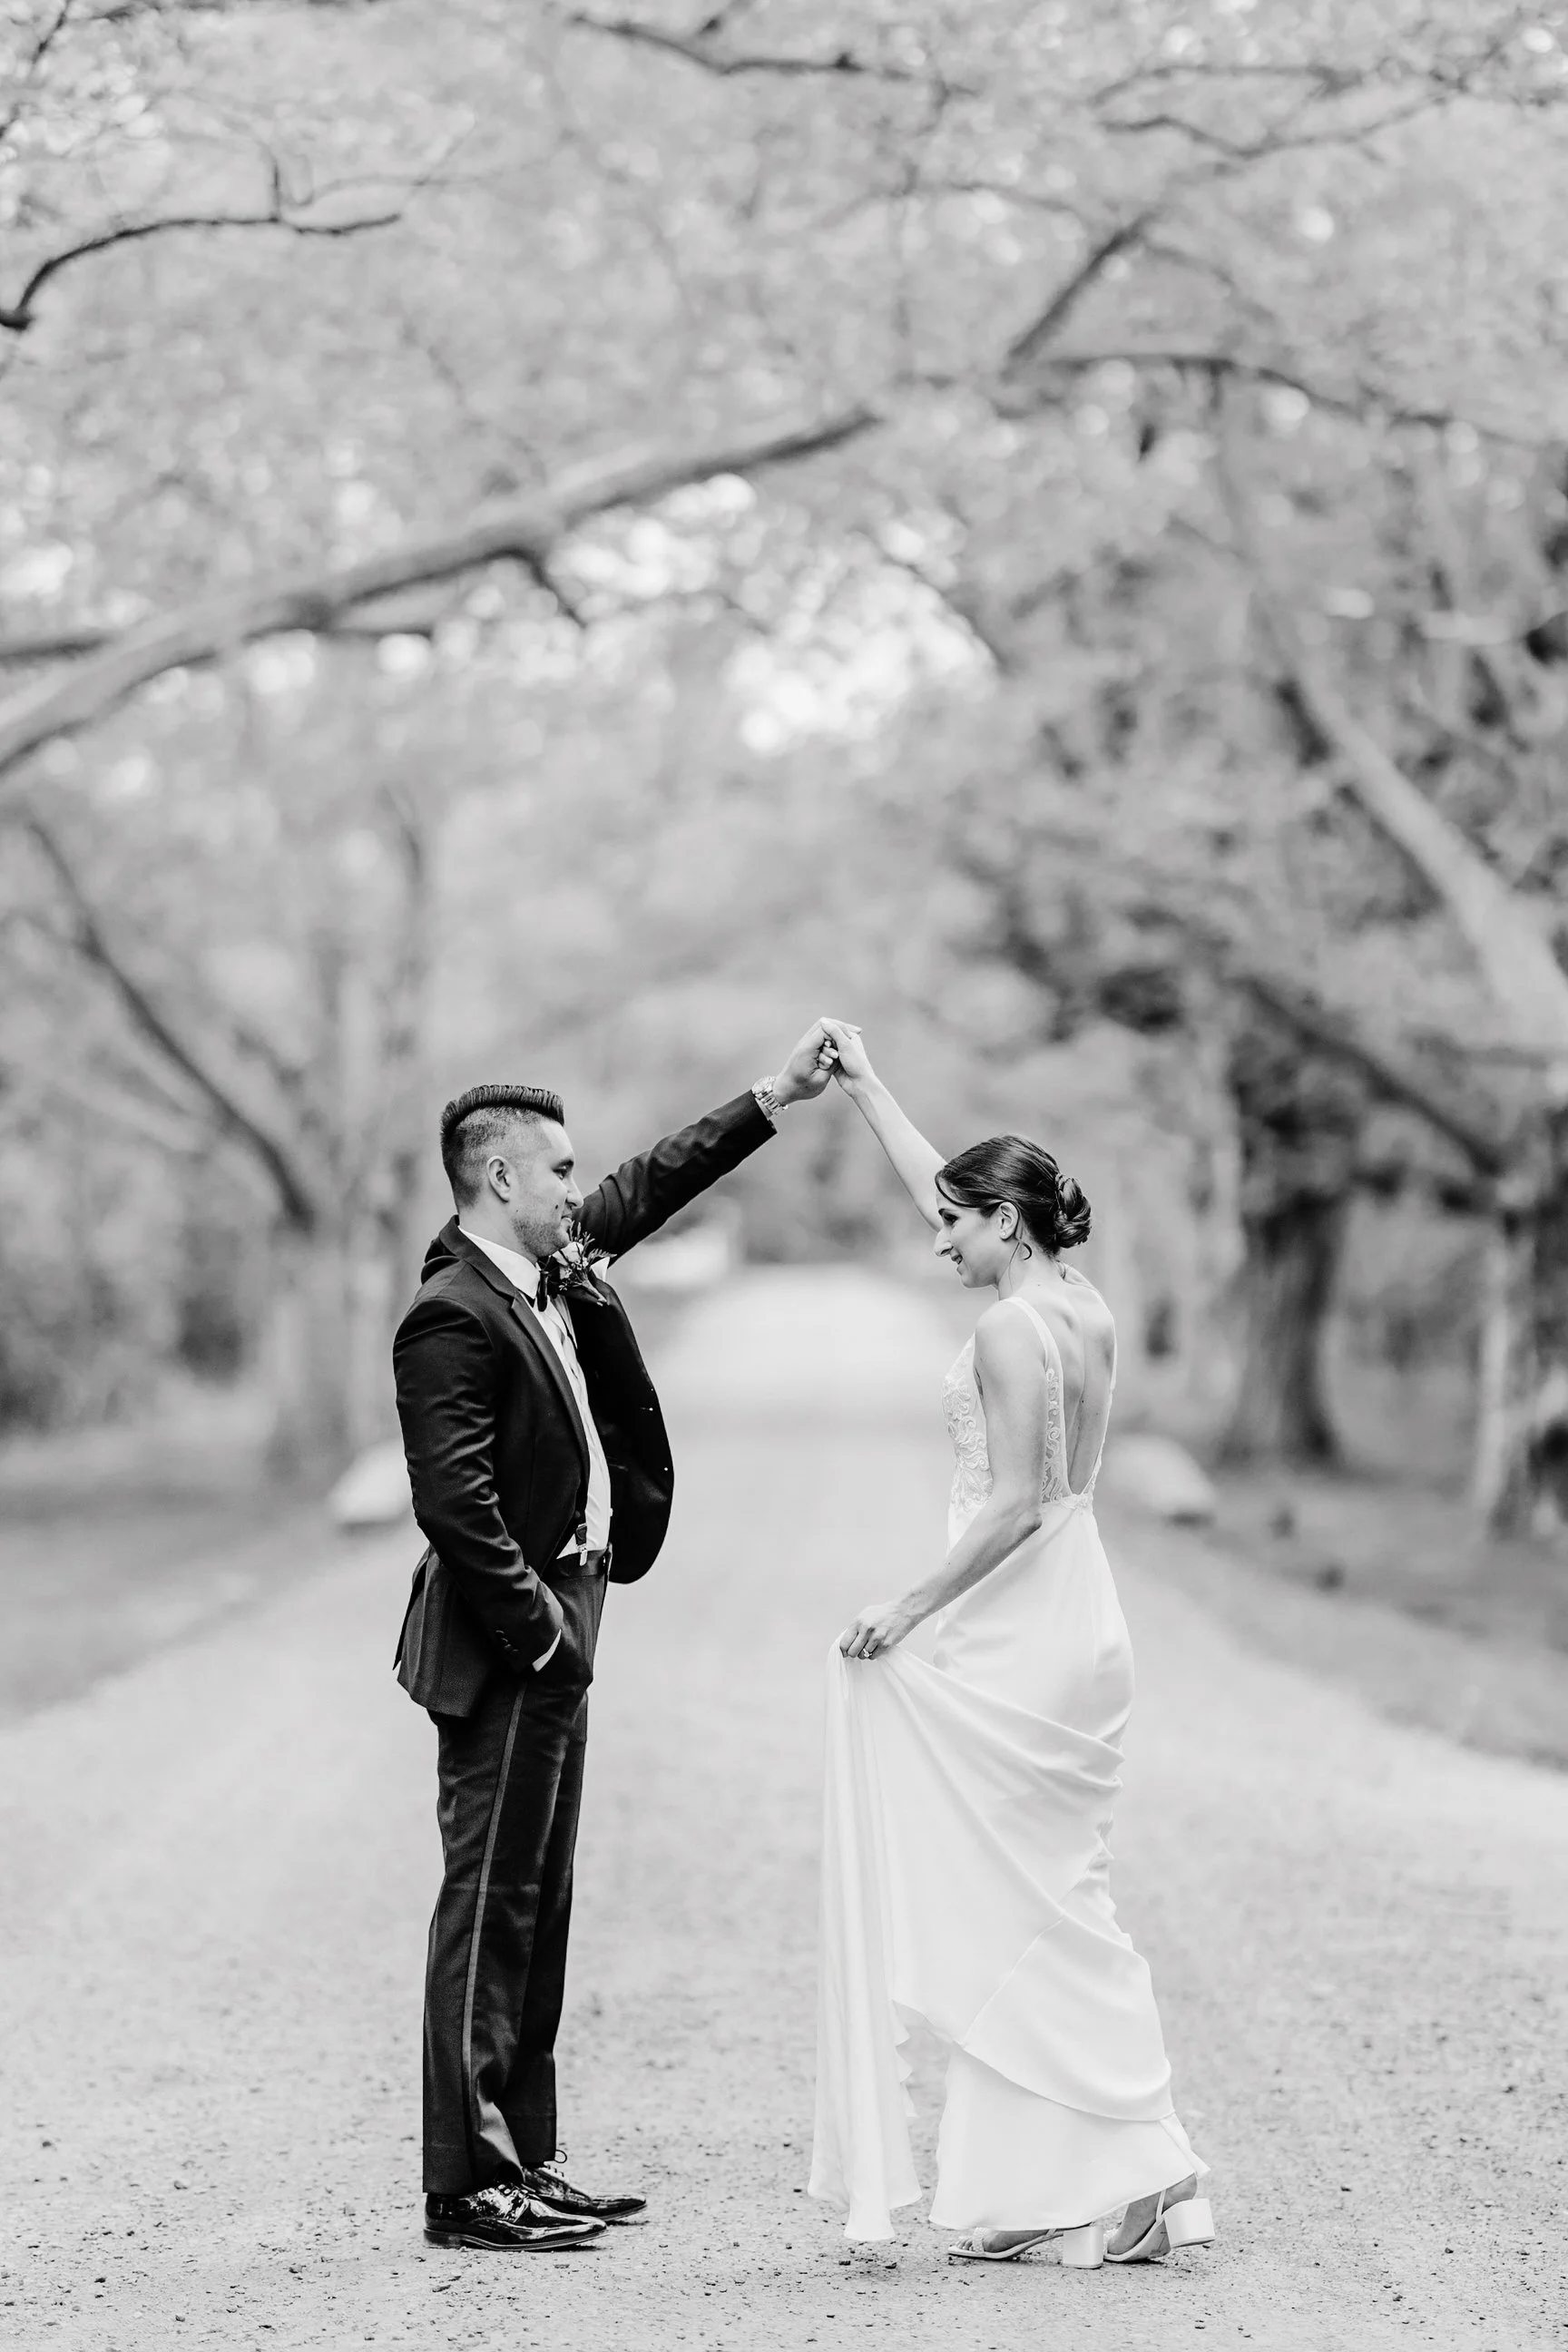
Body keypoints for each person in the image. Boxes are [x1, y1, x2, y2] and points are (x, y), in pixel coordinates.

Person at [393, 1024, 838, 2252]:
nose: (578, 1191)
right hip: (508, 1639)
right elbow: (455, 1504)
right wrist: (545, 1635)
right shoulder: (450, 1314)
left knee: (539, 1900)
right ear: (499, 1180)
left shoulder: (554, 1266)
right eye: (559, 1173)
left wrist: (772, 1096)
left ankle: (525, 2158)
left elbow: (656, 1179)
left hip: (569, 1613)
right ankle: (465, 2184)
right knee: (485, 1905)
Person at [808, 1021, 1213, 2269]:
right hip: (1081, 1611)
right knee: (1048, 1891)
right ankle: (1070, 2179)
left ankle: (1133, 2165)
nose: (937, 1240)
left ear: (1006, 1222)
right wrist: (870, 1088)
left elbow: (1015, 1507)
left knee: (1026, 1897)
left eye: (953, 1225)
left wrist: (905, 1607)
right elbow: (1058, 1499)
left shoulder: (1001, 1333)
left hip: (1018, 1617)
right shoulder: (1080, 1305)